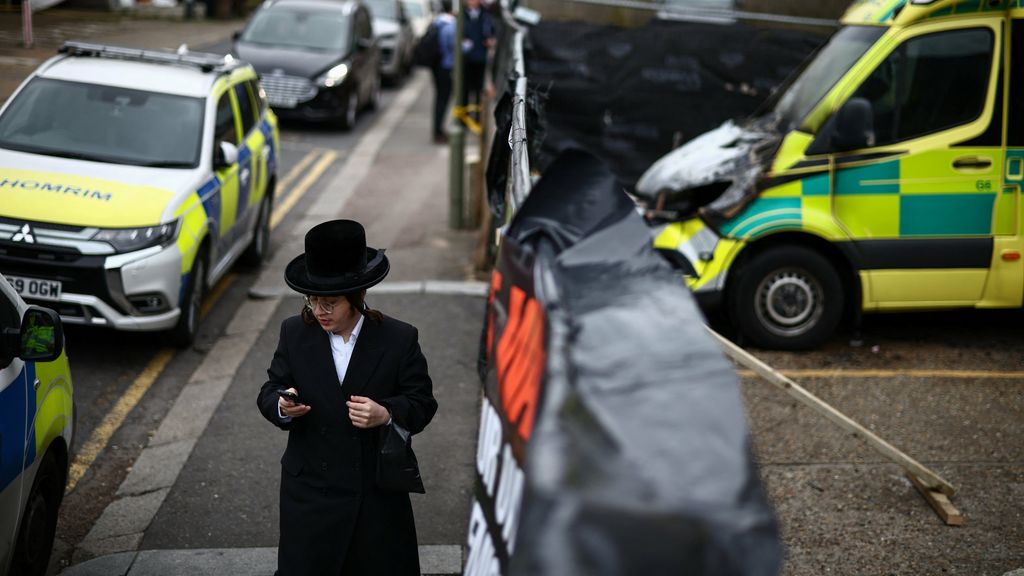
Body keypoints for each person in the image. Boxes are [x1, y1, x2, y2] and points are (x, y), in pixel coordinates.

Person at [257, 219, 438, 576]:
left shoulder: (398, 339)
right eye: (312, 300)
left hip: (373, 499)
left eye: (330, 302)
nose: (319, 310)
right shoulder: (295, 333)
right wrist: (283, 404)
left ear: (359, 295)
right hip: (309, 495)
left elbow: (423, 402)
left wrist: (385, 414)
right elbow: (270, 389)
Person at [461, 0, 495, 114]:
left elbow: (492, 32)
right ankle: (464, 118)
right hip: (465, 59)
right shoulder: (461, 14)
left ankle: (477, 116)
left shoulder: (485, 15)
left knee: (478, 89)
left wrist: (491, 40)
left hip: (481, 57)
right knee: (464, 89)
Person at [431, 0, 456, 144]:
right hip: (446, 66)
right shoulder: (450, 25)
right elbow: (454, 46)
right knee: (443, 99)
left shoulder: (437, 22)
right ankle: (438, 131)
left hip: (437, 65)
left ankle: (437, 129)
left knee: (439, 98)